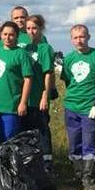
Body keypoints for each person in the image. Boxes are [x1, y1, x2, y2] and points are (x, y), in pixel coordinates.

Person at [60, 24, 95, 190]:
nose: (79, 40)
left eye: (82, 36)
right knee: (74, 142)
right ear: (71, 40)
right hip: (71, 106)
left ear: (88, 37)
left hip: (89, 108)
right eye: (75, 37)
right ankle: (77, 174)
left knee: (89, 143)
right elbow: (68, 81)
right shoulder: (68, 59)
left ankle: (88, 177)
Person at [0, 21, 32, 144]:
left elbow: (28, 79)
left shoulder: (21, 54)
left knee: (9, 140)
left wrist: (23, 103)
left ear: (17, 36)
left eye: (11, 35)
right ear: (0, 34)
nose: (7, 38)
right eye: (5, 34)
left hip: (10, 106)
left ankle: (8, 163)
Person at [24, 14, 55, 174]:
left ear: (41, 29)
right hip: (26, 98)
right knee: (28, 131)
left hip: (39, 96)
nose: (31, 32)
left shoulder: (45, 48)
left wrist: (45, 95)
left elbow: (48, 74)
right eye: (28, 28)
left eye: (34, 28)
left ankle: (47, 163)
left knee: (42, 129)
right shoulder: (25, 49)